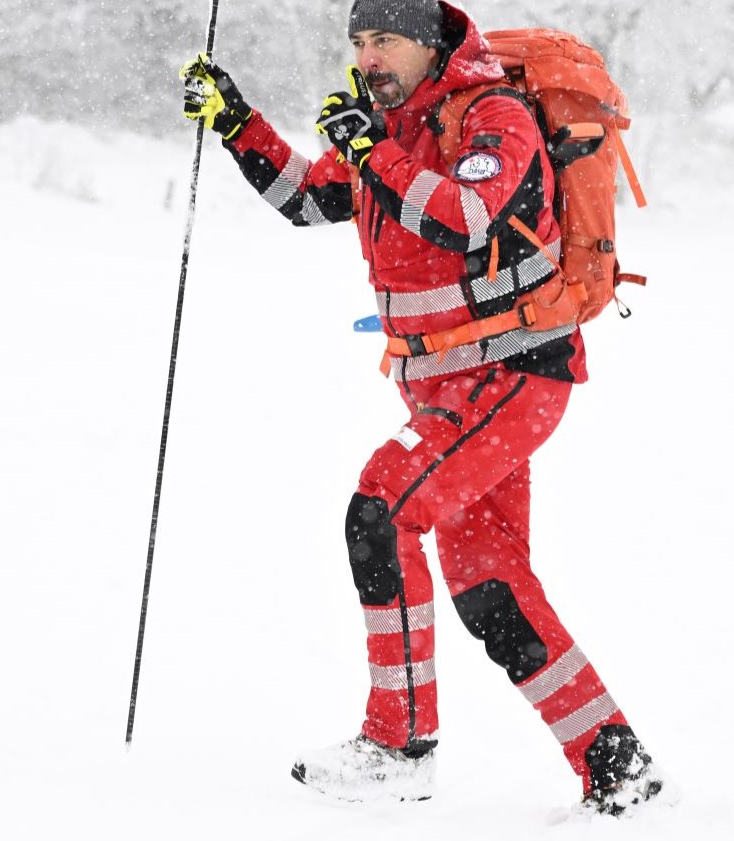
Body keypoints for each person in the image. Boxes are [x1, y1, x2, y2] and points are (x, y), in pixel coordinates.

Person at [178, 0, 665, 816]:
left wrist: (373, 151)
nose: (369, 58)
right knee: (487, 582)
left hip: (511, 373)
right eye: (359, 42)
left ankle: (398, 747)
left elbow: (467, 216)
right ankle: (619, 765)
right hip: (450, 384)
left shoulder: (493, 115)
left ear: (432, 45)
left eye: (387, 41)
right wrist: (236, 121)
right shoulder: (394, 131)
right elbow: (308, 199)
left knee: (381, 509)